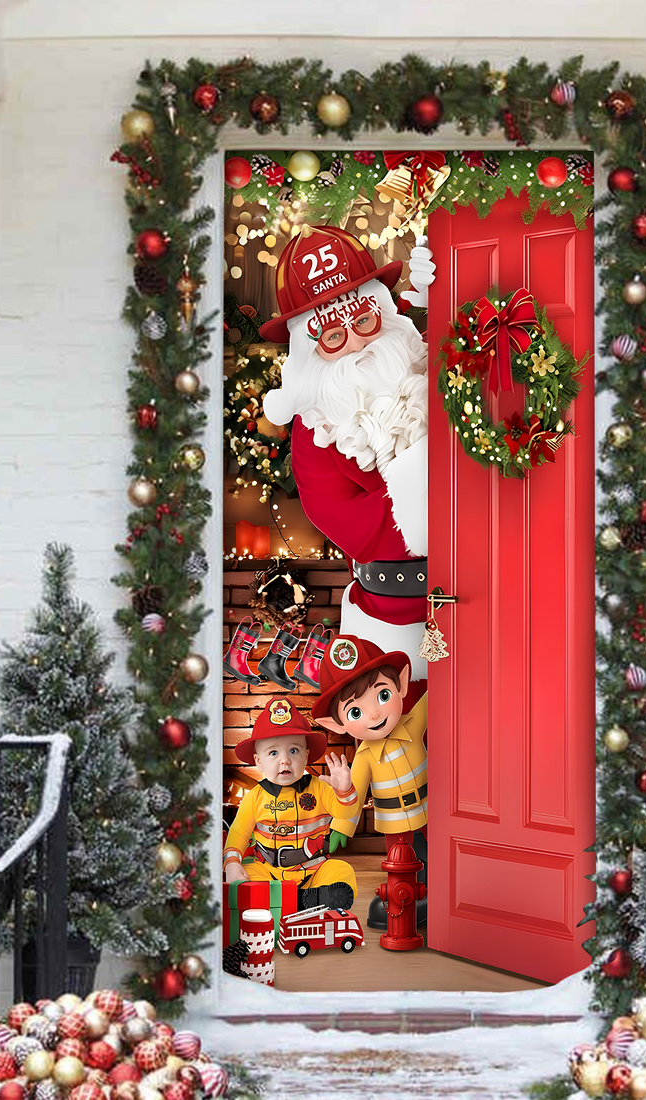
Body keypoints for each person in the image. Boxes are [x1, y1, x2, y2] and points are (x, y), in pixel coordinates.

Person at [259, 225, 433, 709]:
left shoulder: (426, 360)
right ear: (310, 348)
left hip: (487, 587)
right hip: (393, 616)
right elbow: (343, 520)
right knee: (403, 739)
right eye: (334, 336)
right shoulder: (313, 427)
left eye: (364, 322)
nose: (356, 343)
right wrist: (433, 484)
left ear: (383, 311)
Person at [310, 635, 428, 929]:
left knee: (439, 851)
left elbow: (436, 696)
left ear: (401, 684)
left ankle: (437, 891)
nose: (375, 714)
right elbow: (355, 793)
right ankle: (403, 899)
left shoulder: (413, 724)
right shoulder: (363, 758)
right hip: (394, 821)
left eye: (383, 695)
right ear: (337, 725)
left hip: (431, 807)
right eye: (355, 712)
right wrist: (341, 825)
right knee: (399, 862)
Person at [223, 695, 358, 911]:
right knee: (246, 876)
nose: (285, 760)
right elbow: (238, 833)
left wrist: (344, 790)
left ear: (306, 755)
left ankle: (290, 901)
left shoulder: (321, 788)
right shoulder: (254, 797)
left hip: (314, 870)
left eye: (293, 751)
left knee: (342, 871)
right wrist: (232, 863)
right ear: (259, 761)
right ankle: (299, 901)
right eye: (273, 752)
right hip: (269, 871)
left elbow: (346, 812)